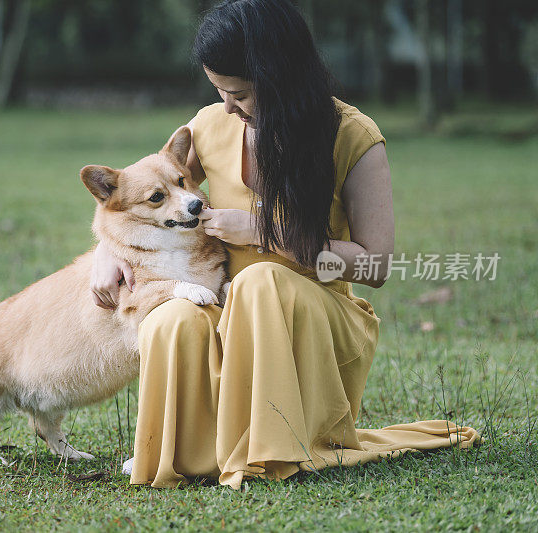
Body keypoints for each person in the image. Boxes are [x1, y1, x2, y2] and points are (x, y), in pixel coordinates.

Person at [90, 0, 479, 489]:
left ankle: (270, 447)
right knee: (173, 316)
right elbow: (149, 194)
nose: (228, 107)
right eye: (219, 91)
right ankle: (192, 455)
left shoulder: (352, 136)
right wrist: (108, 250)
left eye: (241, 94)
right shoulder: (211, 125)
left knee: (261, 280)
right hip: (230, 309)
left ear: (280, 78)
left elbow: (375, 266)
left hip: (316, 319)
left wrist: (264, 232)